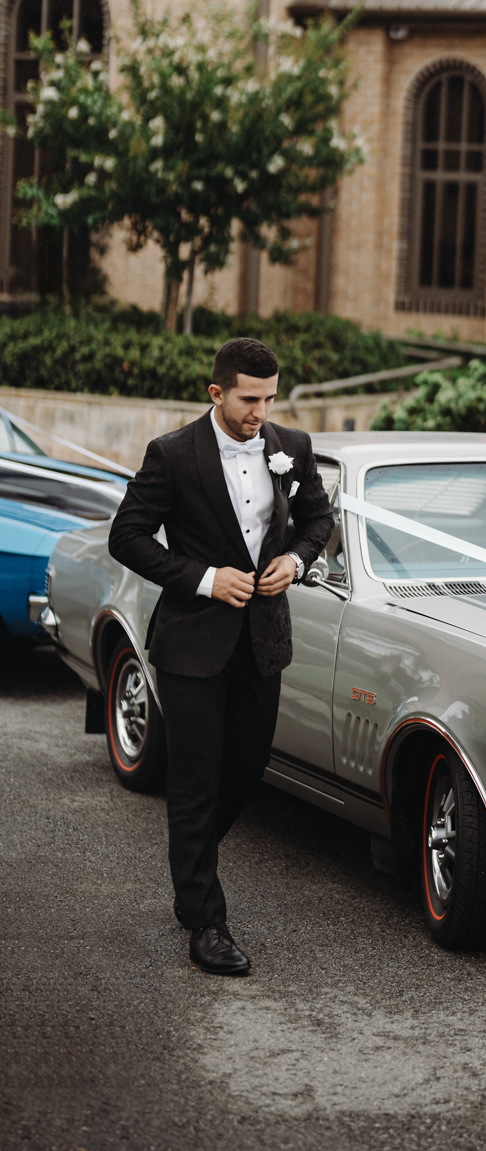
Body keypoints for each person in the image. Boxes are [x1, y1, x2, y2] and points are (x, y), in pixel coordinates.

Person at [109, 337, 333, 975]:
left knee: (246, 768)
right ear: (216, 393)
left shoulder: (293, 448)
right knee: (194, 778)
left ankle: (191, 862)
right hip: (191, 643)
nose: (261, 412)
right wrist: (204, 579)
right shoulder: (173, 454)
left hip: (263, 641)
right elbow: (127, 536)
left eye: (270, 398)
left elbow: (319, 520)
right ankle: (204, 918)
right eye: (248, 399)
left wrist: (296, 560)